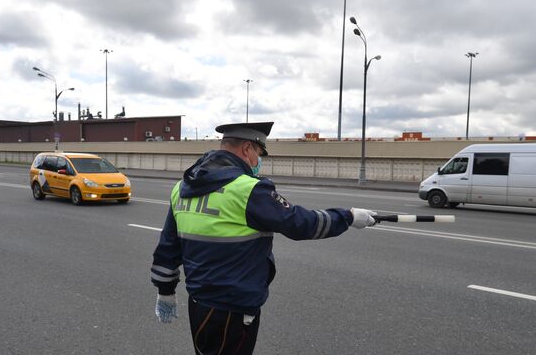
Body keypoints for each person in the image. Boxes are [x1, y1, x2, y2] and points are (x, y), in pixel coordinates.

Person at [151, 122, 377, 355]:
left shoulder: (182, 187)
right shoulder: (248, 189)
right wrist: (348, 217)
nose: (258, 160)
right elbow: (300, 223)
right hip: (234, 307)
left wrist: (165, 290)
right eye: (259, 153)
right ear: (247, 148)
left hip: (199, 303)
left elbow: (168, 246)